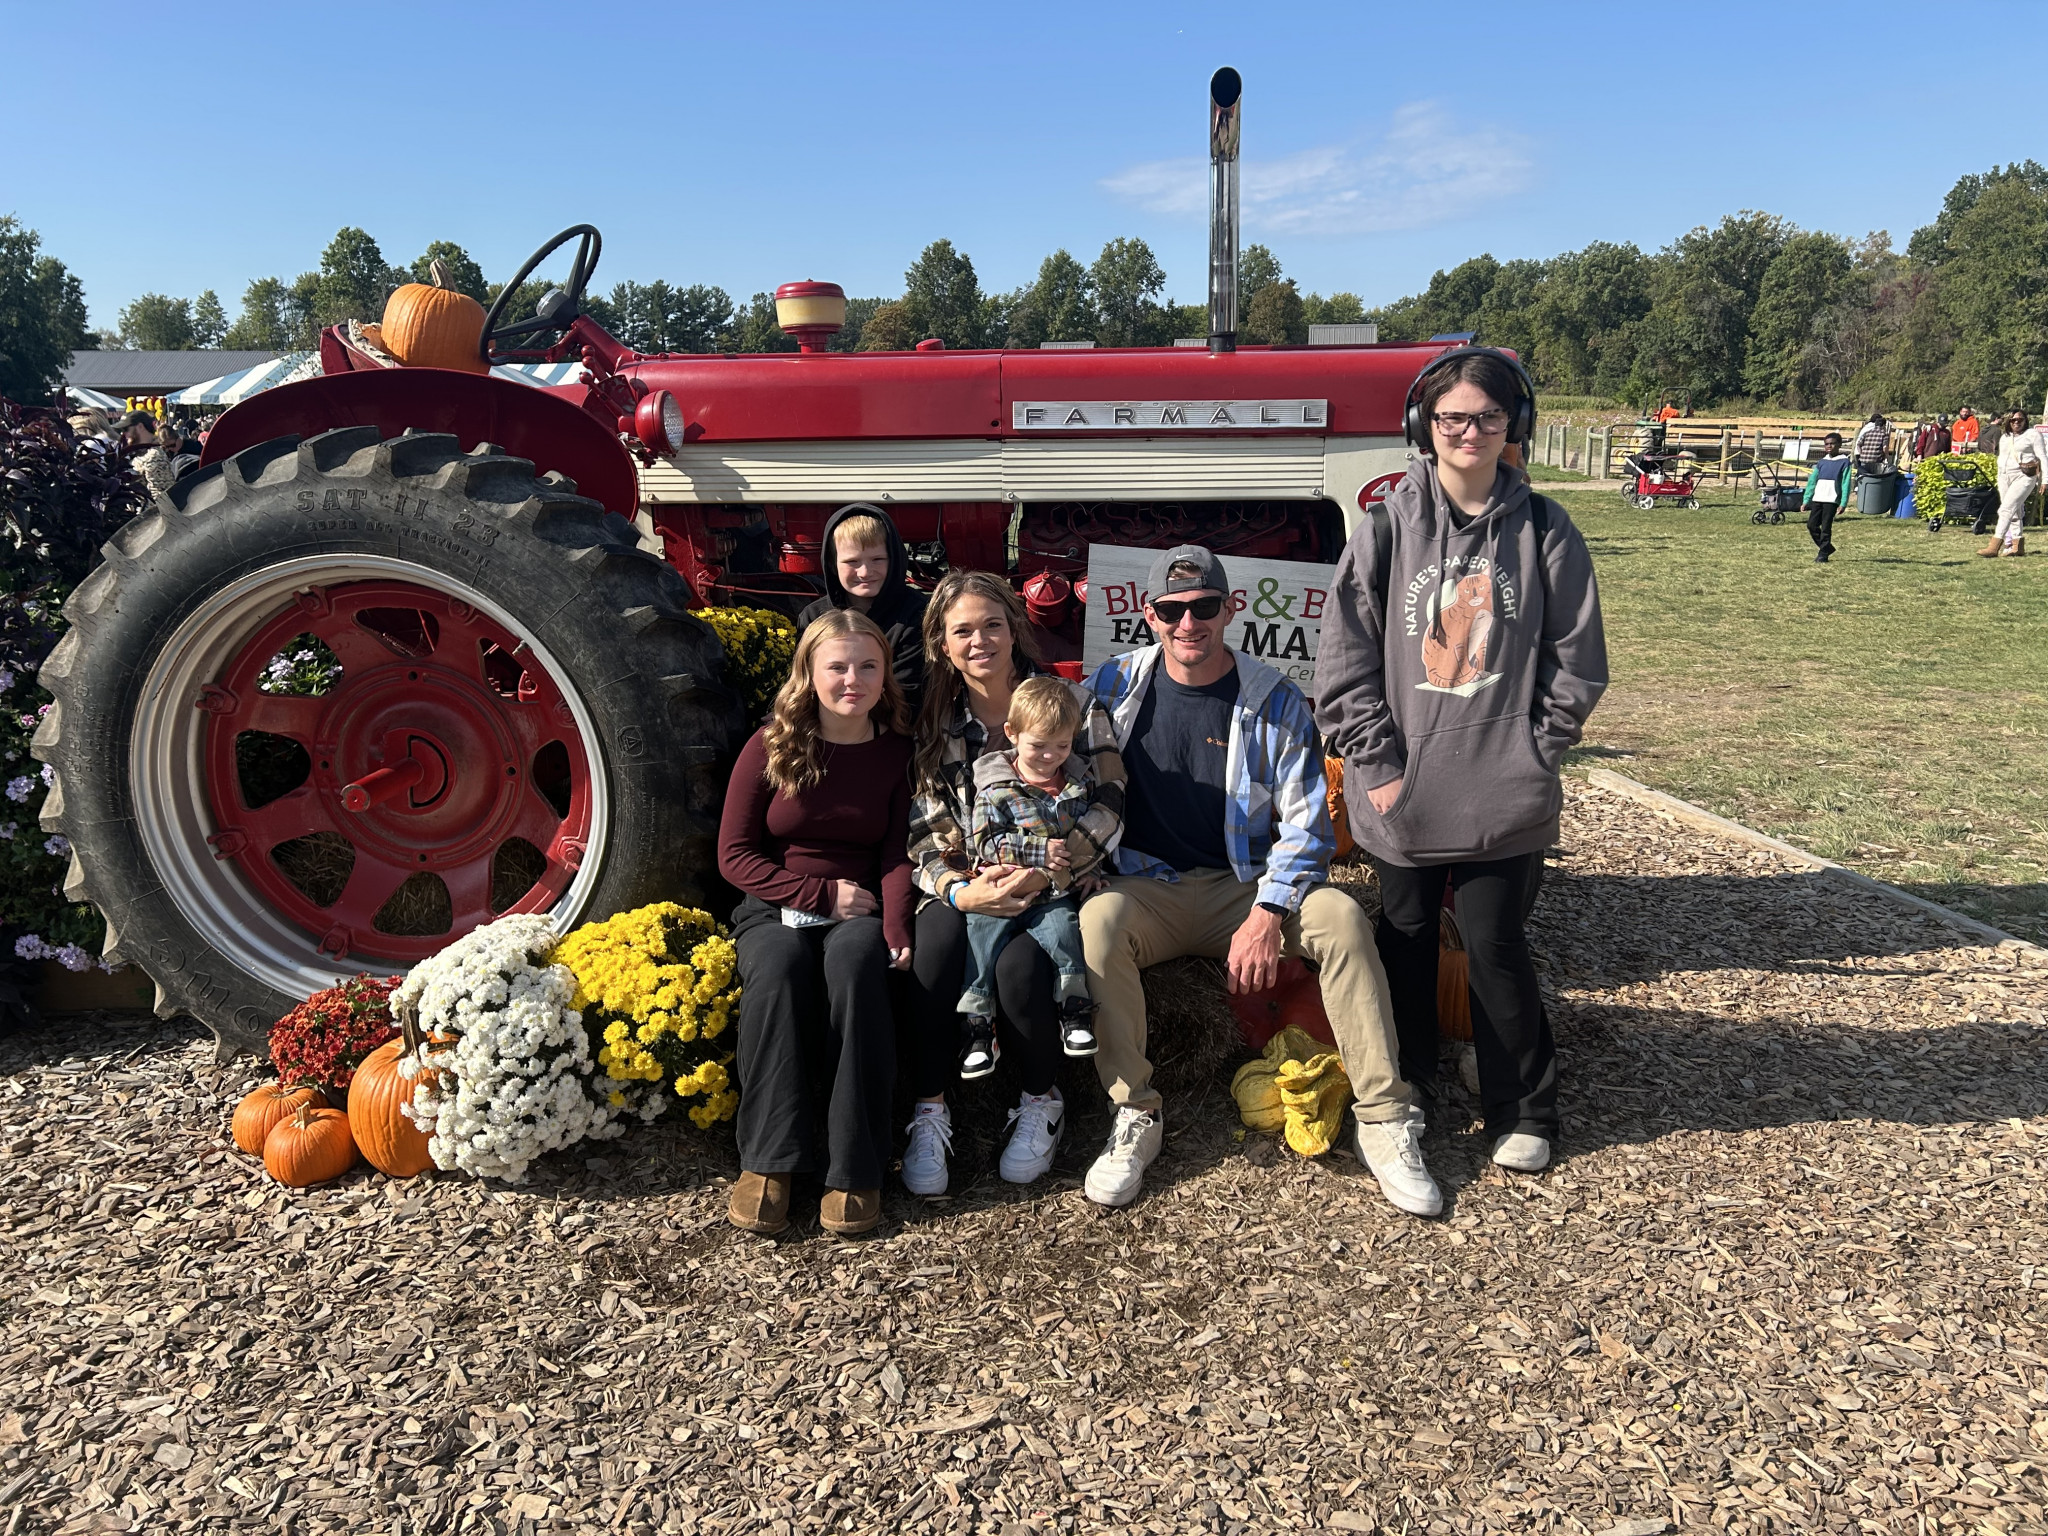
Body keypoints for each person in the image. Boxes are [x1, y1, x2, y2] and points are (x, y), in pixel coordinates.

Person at [1079, 545, 1441, 1216]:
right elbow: (1064, 776)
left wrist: (1268, 912)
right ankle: (1135, 1111)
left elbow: (1308, 827)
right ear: (1150, 616)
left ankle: (1384, 1116)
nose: (1189, 624)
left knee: (1341, 919)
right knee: (1097, 924)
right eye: (1172, 611)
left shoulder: (1273, 699)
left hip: (1245, 885)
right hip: (1151, 887)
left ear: (1231, 609)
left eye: (1205, 607)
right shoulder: (1112, 686)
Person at [1316, 346, 1607, 1178]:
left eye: (1487, 417)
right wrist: (1379, 768)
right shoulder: (1384, 530)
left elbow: (1577, 661)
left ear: (1513, 425)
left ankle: (1525, 1107)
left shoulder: (1546, 529)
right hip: (1401, 792)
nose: (1469, 432)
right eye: (1452, 418)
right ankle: (1409, 1086)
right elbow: (1344, 663)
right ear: (1424, 425)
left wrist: (1534, 753)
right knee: (1406, 939)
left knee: (1495, 945)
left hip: (1503, 794)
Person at [903, 571, 1126, 1193]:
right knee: (937, 947)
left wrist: (1057, 868)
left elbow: (1111, 795)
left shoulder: (1073, 702)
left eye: (992, 625)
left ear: (1014, 628)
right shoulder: (936, 725)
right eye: (962, 631)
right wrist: (962, 888)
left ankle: (1041, 1099)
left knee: (1021, 968)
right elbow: (926, 825)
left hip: (1056, 876)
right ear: (942, 644)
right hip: (972, 877)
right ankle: (929, 1108)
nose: (980, 641)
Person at [716, 609, 915, 1238]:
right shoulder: (771, 744)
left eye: (868, 666)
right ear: (809, 672)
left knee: (856, 967)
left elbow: (897, 854)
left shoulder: (896, 753)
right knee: (778, 968)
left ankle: (856, 1165)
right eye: (838, 666)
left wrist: (896, 927)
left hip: (861, 906)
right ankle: (769, 1161)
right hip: (777, 902)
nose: (853, 680)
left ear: (885, 675)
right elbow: (734, 855)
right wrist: (818, 895)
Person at [957, 676, 1100, 1078]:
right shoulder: (995, 787)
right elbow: (985, 841)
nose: (1050, 756)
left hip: (1051, 894)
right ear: (1012, 734)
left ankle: (1074, 1009)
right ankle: (978, 1025)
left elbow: (1086, 838)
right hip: (1000, 889)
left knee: (1065, 930)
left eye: (1062, 746)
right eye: (1038, 745)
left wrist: (1092, 871)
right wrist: (1039, 851)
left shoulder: (1077, 785)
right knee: (979, 940)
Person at [797, 503, 931, 715]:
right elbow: (802, 682)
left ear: (894, 559)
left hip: (897, 724)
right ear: (832, 564)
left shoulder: (917, 613)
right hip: (827, 724)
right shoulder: (813, 617)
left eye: (878, 559)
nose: (865, 572)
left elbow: (909, 693)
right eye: (852, 561)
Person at [1983, 408, 2045, 558]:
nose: (2016, 422)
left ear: (2025, 420)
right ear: (2008, 421)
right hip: (2004, 476)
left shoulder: (2033, 435)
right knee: (2014, 510)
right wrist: (2000, 475)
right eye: (2013, 420)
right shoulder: (2005, 437)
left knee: (2005, 509)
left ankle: (1994, 545)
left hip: (2024, 476)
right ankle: (2017, 545)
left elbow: (2043, 457)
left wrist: (2045, 480)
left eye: (2020, 419)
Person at [1802, 432, 1851, 562]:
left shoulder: (1844, 462)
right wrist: (1806, 499)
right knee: (1811, 525)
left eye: (1832, 444)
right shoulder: (1822, 462)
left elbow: (1846, 483)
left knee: (1825, 527)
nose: (1829, 446)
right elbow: (1812, 481)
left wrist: (1843, 503)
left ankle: (1823, 554)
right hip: (1818, 498)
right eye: (1826, 444)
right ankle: (1827, 547)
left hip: (1831, 499)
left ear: (1839, 445)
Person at [119, 411, 174, 498]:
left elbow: (160, 496)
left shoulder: (154, 456)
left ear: (140, 427)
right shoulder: (137, 453)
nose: (123, 434)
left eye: (126, 429)